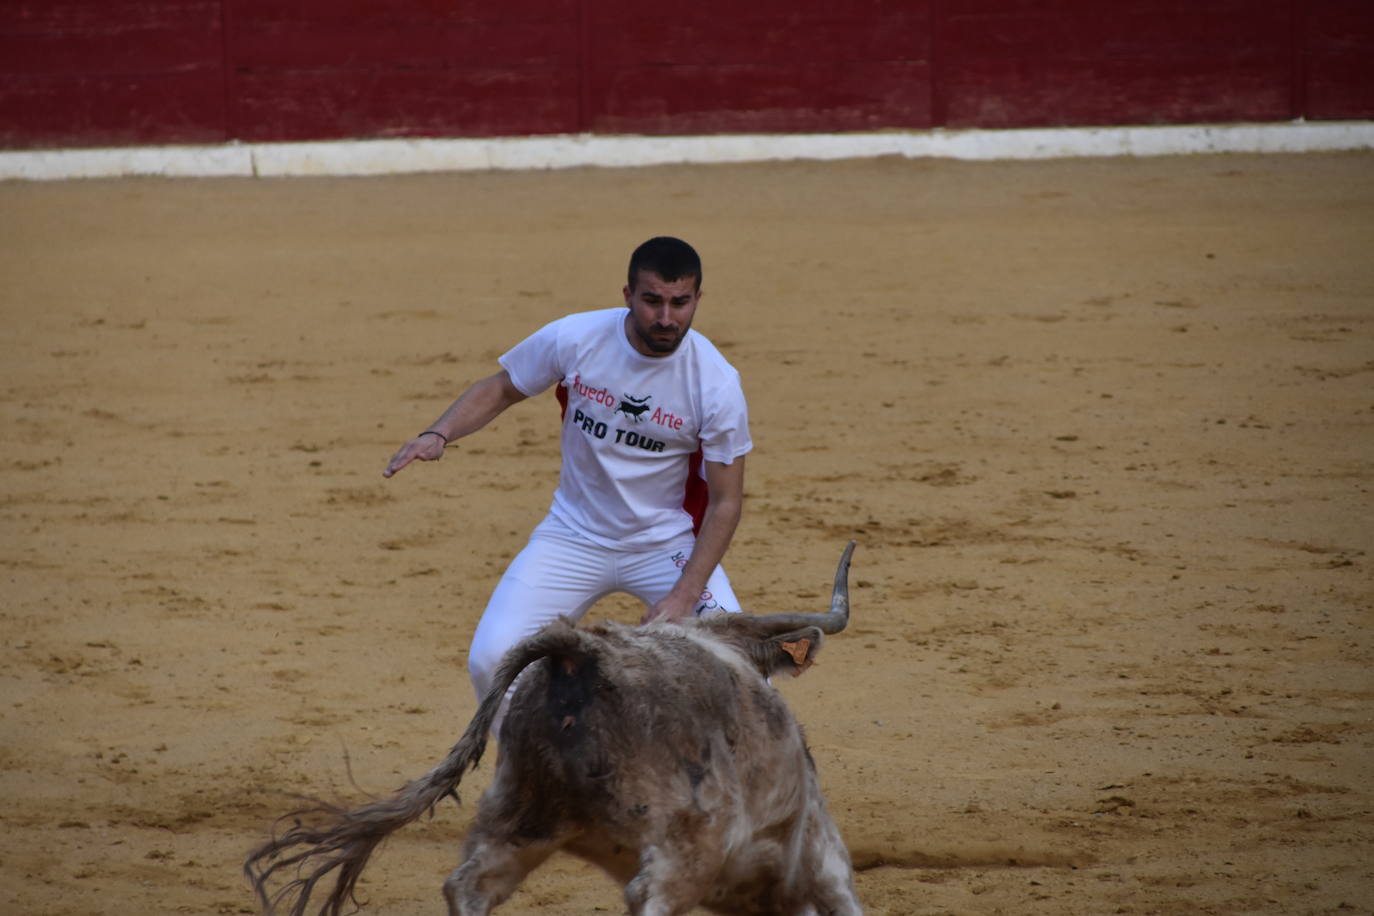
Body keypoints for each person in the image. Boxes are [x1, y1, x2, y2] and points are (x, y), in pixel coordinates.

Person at [382, 237, 752, 700]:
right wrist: (438, 434)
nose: (665, 318)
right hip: (572, 536)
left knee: (744, 672)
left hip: (666, 546)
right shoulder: (576, 338)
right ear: (628, 296)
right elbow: (502, 389)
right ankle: (539, 769)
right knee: (491, 660)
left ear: (697, 299)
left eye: (679, 303)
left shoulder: (716, 384)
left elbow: (725, 502)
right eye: (652, 300)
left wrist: (682, 595)